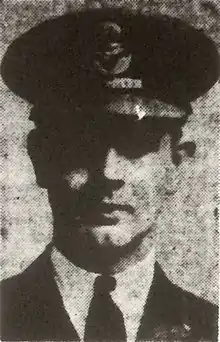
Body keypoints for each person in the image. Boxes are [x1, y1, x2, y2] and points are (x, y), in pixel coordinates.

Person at [1, 8, 219, 342]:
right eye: (80, 145)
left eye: (134, 146)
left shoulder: (211, 329)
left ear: (176, 164)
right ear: (41, 159)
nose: (107, 172)